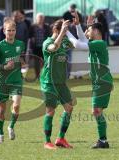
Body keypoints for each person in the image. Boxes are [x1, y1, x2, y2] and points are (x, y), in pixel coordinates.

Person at [67, 12, 113, 149]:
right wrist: (78, 26)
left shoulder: (99, 43)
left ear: (96, 30)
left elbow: (79, 45)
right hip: (99, 82)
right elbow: (83, 40)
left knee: (96, 111)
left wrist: (66, 33)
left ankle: (103, 141)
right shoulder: (95, 43)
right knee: (96, 111)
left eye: (89, 29)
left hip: (103, 82)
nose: (87, 31)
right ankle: (103, 141)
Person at [40, 19, 74, 150]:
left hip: (61, 82)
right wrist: (61, 34)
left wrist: (76, 26)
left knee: (69, 108)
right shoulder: (47, 42)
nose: (65, 34)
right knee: (50, 111)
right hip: (49, 82)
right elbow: (53, 48)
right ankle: (47, 142)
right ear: (56, 30)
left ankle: (60, 138)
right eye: (63, 31)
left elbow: (79, 44)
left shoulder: (65, 42)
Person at [0, 17, 26, 144]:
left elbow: (21, 59)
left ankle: (11, 126)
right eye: (8, 30)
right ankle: (0, 133)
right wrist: (4, 67)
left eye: (12, 30)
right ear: (4, 31)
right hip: (3, 82)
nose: (10, 32)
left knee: (16, 106)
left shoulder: (20, 44)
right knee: (1, 110)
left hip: (16, 81)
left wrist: (23, 65)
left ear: (15, 31)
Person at [63, 4, 83, 79]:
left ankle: (67, 76)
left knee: (69, 61)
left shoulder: (78, 15)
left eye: (73, 9)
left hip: (74, 42)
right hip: (67, 42)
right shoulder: (66, 14)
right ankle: (65, 76)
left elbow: (80, 25)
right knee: (65, 61)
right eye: (71, 8)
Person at [28, 13, 51, 79]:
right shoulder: (32, 26)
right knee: (36, 63)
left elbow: (49, 36)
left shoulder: (46, 26)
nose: (40, 19)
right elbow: (29, 36)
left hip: (44, 47)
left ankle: (45, 75)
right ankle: (37, 76)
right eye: (39, 18)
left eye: (41, 18)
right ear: (36, 18)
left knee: (46, 62)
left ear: (43, 19)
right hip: (36, 47)